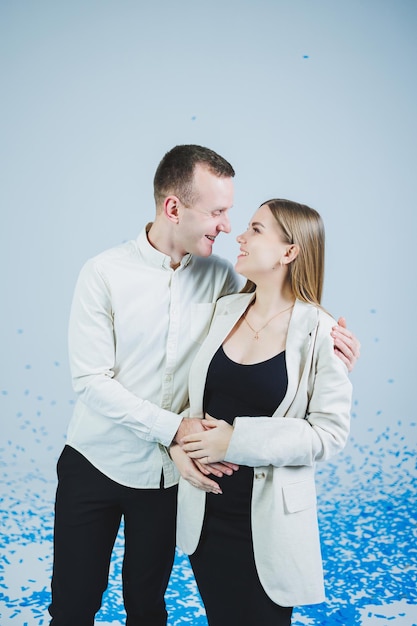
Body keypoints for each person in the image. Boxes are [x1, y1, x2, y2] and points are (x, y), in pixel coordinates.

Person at [48, 145, 359, 626]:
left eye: (236, 215)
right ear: (175, 208)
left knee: (147, 608)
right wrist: (176, 432)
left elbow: (280, 320)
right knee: (72, 605)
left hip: (171, 477)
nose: (227, 225)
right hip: (97, 460)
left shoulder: (222, 279)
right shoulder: (104, 273)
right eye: (218, 211)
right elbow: (91, 382)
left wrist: (332, 348)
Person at [172, 199, 353, 626]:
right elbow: (184, 400)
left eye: (256, 229)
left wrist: (235, 440)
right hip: (207, 517)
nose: (240, 235)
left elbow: (328, 435)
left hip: (269, 530)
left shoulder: (322, 332)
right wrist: (179, 448)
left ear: (289, 252)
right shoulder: (223, 310)